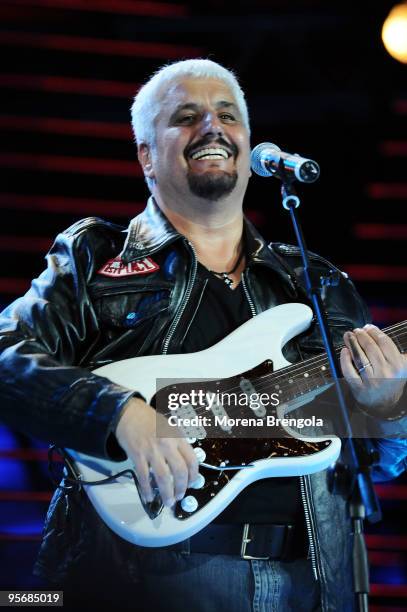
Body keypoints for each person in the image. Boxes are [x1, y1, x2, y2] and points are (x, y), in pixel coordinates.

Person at [0, 59, 406, 612]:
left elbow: (375, 462)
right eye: (186, 117)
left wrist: (389, 407)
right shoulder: (94, 258)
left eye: (227, 115)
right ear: (146, 155)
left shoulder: (318, 284)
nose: (211, 128)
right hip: (143, 581)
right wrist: (119, 415)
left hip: (309, 584)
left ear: (247, 141)